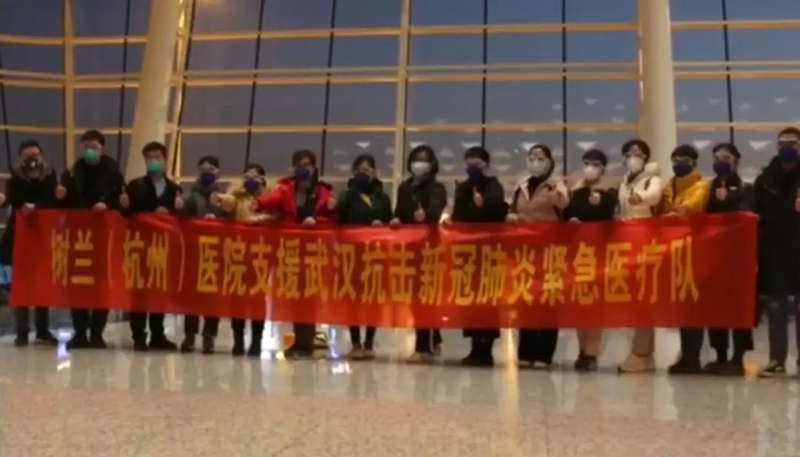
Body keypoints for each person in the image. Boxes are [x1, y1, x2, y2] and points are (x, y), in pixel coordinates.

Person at [254, 150, 335, 359]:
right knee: (294, 298)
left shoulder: (323, 192)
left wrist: (317, 222)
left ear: (314, 167)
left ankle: (305, 344)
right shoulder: (286, 189)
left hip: (314, 251)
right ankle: (300, 341)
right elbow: (270, 200)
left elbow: (332, 218)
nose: (303, 168)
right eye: (299, 165)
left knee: (309, 297)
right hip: (291, 251)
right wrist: (256, 201)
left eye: (307, 165)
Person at [60, 129, 126, 350]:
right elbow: (65, 202)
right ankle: (79, 332)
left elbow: (121, 202)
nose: (90, 150)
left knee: (101, 284)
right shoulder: (73, 172)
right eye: (86, 147)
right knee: (77, 285)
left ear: (102, 148)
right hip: (78, 237)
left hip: (103, 237)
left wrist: (107, 205)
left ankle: (97, 333)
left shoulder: (113, 172)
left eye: (94, 146)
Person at [506, 144, 569, 369]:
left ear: (549, 161)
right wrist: (512, 217)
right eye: (531, 157)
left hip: (550, 250)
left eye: (540, 158)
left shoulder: (556, 183)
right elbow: (513, 208)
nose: (535, 161)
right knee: (527, 299)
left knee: (548, 300)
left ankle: (544, 354)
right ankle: (526, 352)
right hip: (525, 250)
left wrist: (555, 195)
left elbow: (564, 203)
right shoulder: (522, 182)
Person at [444, 146, 508, 367]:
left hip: (489, 254)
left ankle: (486, 349)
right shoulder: (462, 188)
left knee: (488, 301)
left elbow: (499, 212)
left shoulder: (494, 186)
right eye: (469, 165)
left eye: (477, 165)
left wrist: (485, 204)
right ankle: (474, 347)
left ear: (486, 166)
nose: (473, 169)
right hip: (468, 254)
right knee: (470, 300)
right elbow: (460, 214)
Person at [121, 141, 184, 352]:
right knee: (139, 292)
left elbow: (180, 219)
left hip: (163, 248)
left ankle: (158, 334)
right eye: (149, 158)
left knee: (159, 290)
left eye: (157, 157)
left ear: (165, 159)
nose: (154, 161)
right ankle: (139, 336)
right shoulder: (135, 186)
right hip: (140, 247)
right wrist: (125, 206)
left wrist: (175, 211)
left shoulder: (174, 188)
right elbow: (127, 215)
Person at [0, 140, 60, 347]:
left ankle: (42, 330)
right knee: (20, 285)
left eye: (35, 155)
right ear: (20, 159)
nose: (32, 160)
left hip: (43, 236)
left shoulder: (50, 176)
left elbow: (53, 201)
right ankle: (22, 331)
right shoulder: (15, 179)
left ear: (42, 156)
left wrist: (36, 206)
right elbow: (10, 201)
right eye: (27, 156)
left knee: (42, 283)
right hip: (19, 236)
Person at [391, 145, 447, 363]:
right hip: (409, 249)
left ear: (432, 165)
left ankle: (425, 346)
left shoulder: (437, 188)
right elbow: (399, 212)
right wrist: (396, 219)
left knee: (427, 297)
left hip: (429, 249)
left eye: (424, 160)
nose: (419, 164)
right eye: (416, 160)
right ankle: (433, 337)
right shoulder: (405, 187)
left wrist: (427, 215)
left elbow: (435, 211)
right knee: (414, 297)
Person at [562, 148, 617, 372]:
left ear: (603, 168)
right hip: (577, 255)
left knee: (594, 305)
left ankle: (592, 353)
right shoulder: (576, 191)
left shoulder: (609, 192)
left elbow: (607, 217)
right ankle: (581, 349)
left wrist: (599, 203)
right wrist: (571, 220)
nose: (590, 167)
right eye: (587, 163)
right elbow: (568, 214)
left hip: (599, 255)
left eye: (595, 164)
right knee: (579, 304)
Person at [702, 143, 754, 376]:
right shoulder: (708, 188)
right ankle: (720, 355)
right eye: (716, 158)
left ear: (736, 161)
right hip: (714, 255)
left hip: (739, 256)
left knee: (738, 306)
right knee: (716, 307)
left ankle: (738, 357)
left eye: (725, 157)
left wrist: (729, 199)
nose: (720, 161)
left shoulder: (746, 188)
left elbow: (748, 215)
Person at [335, 154, 393, 360]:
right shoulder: (346, 196)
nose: (363, 173)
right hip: (352, 256)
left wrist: (384, 225)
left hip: (375, 255)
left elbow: (390, 221)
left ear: (374, 172)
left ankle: (369, 341)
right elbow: (338, 222)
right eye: (359, 170)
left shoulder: (383, 198)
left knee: (373, 299)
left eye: (367, 170)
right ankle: (355, 342)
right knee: (353, 299)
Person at [660, 145, 711, 375]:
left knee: (693, 305)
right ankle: (686, 355)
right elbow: (662, 210)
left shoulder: (702, 185)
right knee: (682, 305)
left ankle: (693, 357)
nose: (679, 163)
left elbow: (694, 206)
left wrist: (678, 212)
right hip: (674, 251)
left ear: (694, 162)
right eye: (676, 159)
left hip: (695, 250)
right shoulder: (669, 186)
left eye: (684, 159)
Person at [754, 127, 800, 377]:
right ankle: (776, 360)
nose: (787, 147)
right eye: (782, 143)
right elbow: (752, 211)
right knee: (776, 308)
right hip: (774, 249)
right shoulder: (765, 180)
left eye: (792, 143)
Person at [615, 139, 664, 373]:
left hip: (645, 237)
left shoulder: (652, 178)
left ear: (646, 157)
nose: (633, 157)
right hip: (627, 238)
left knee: (643, 295)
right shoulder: (624, 180)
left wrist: (640, 198)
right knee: (635, 296)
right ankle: (645, 354)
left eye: (638, 153)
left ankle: (640, 352)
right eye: (628, 153)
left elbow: (654, 196)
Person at [216, 163, 272, 357]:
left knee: (258, 298)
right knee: (237, 297)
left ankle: (256, 341)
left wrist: (260, 219)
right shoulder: (237, 194)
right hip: (238, 254)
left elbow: (277, 214)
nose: (251, 179)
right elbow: (226, 203)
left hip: (261, 255)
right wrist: (231, 193)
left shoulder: (269, 196)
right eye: (248, 176)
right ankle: (238, 341)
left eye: (255, 176)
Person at [180, 155, 225, 354]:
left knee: (213, 298)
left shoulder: (225, 198)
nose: (207, 173)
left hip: (217, 254)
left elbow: (231, 220)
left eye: (211, 169)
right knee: (192, 297)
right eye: (204, 169)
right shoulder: (190, 197)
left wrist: (218, 219)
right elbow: (181, 221)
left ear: (218, 172)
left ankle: (209, 336)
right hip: (194, 253)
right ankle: (190, 335)